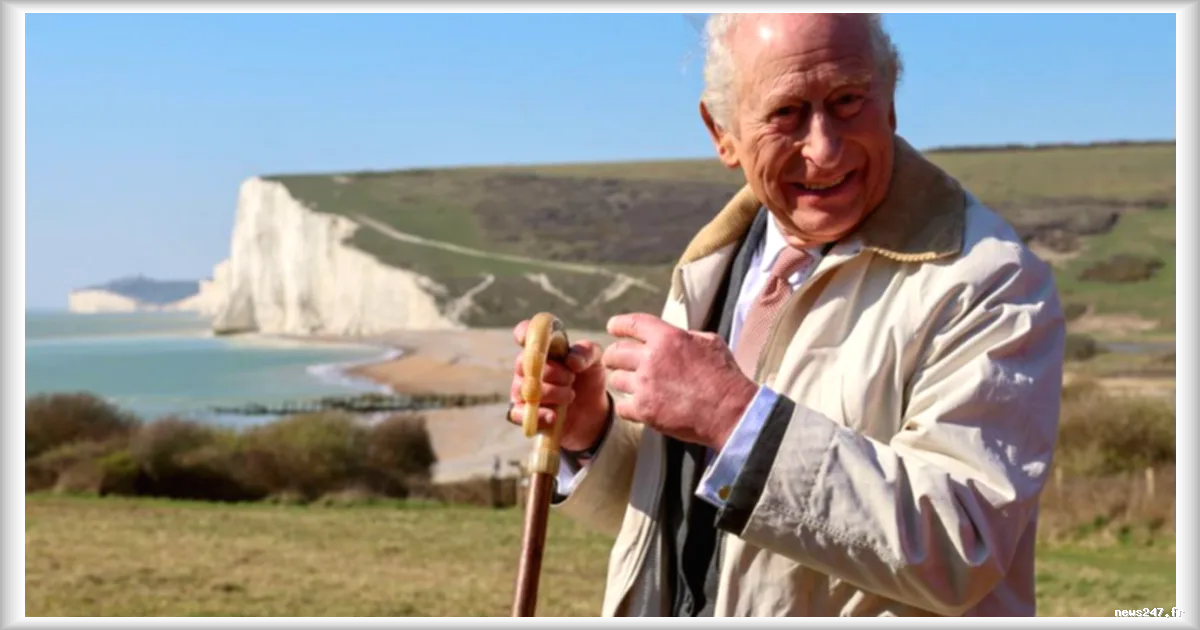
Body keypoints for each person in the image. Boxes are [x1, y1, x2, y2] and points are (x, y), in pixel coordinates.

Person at [505, 12, 1065, 617]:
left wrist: (731, 415)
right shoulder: (715, 262)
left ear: (891, 102)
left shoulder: (987, 280)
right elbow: (707, 529)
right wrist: (593, 432)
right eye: (786, 114)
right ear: (721, 132)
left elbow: (963, 545)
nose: (824, 150)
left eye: (849, 101)